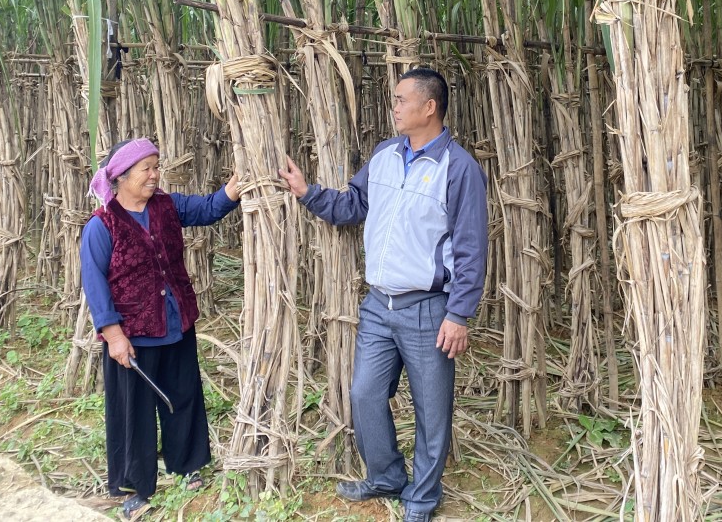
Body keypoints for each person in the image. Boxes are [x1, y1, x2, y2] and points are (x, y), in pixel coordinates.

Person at [278, 67, 488, 522]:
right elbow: (354, 205)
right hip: (378, 305)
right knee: (365, 393)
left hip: (428, 309)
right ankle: (387, 476)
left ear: (428, 107)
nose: (393, 107)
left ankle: (422, 498)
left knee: (432, 410)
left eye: (400, 99)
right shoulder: (385, 155)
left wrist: (459, 314)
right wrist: (307, 192)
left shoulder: (459, 168)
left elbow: (472, 248)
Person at [80, 137, 240, 521]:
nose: (155, 175)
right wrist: (113, 335)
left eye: (156, 166)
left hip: (175, 322)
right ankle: (137, 487)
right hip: (133, 336)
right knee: (133, 411)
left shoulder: (167, 206)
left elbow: (206, 209)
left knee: (183, 397)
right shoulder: (102, 225)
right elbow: (94, 283)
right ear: (121, 176)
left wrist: (231, 191)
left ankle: (185, 467)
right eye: (146, 169)